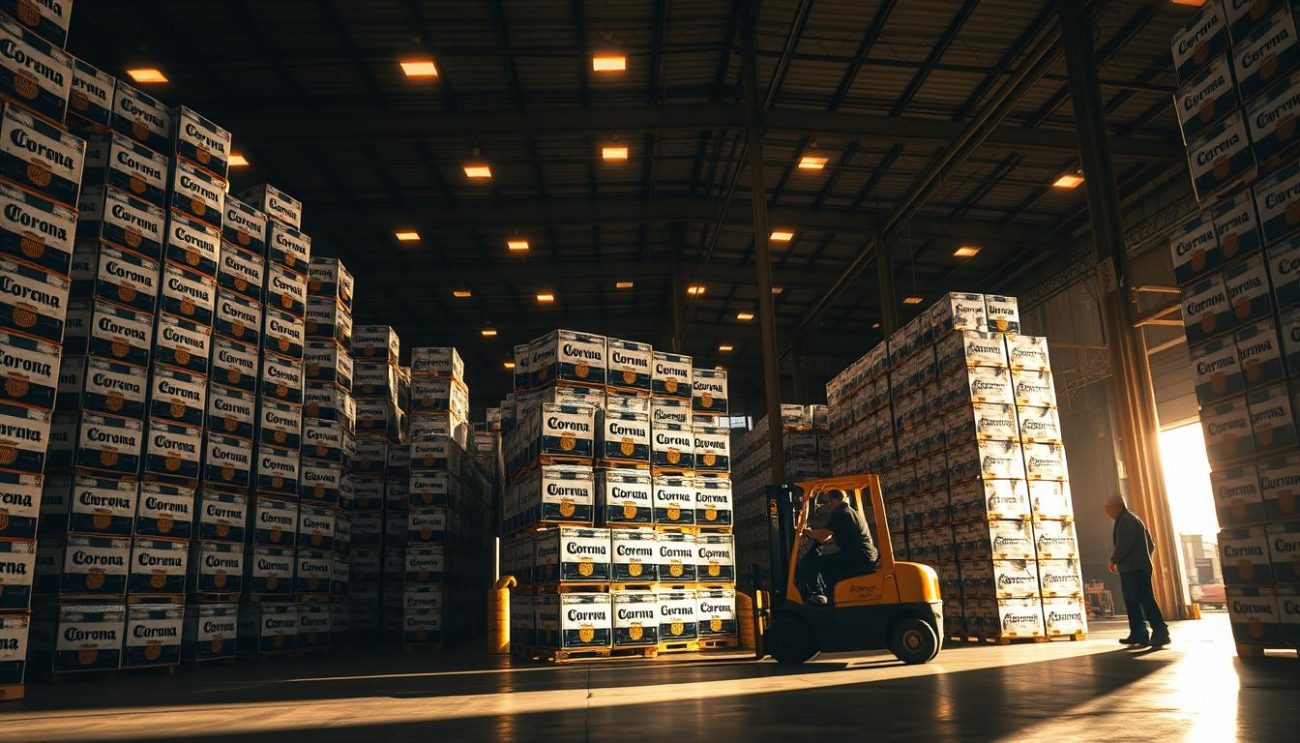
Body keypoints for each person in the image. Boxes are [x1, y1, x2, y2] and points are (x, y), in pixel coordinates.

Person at [1105, 493, 1170, 648]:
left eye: (1108, 509)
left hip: (1133, 569)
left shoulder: (1125, 521)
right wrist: (1144, 558)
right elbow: (1151, 544)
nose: (1107, 512)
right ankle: (1139, 633)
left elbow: (1124, 544)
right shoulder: (1133, 519)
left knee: (1144, 599)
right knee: (1134, 601)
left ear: (1117, 506)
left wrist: (1114, 560)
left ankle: (1160, 632)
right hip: (1138, 567)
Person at [796, 489, 880, 606]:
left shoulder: (840, 513)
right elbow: (830, 536)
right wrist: (817, 536)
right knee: (828, 568)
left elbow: (824, 534)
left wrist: (804, 531)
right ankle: (831, 596)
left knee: (813, 563)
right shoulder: (851, 511)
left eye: (829, 502)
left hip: (858, 556)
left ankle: (818, 594)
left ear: (835, 500)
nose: (828, 505)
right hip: (864, 555)